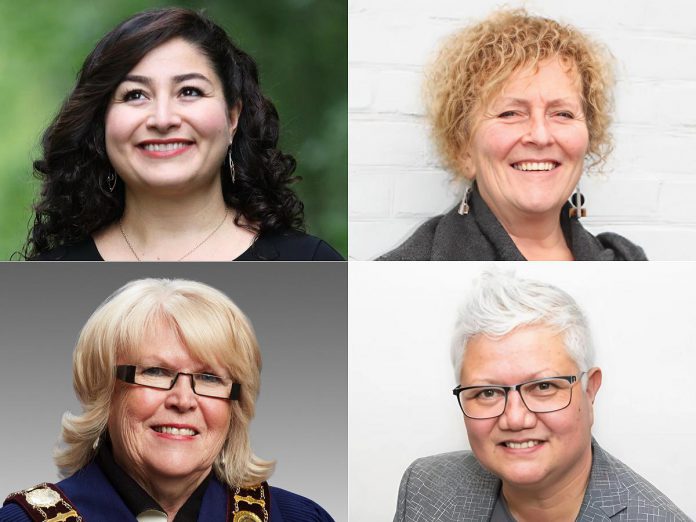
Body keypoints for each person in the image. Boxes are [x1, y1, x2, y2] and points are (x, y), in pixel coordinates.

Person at [0, 278, 335, 521]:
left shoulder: (298, 517)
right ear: (104, 389)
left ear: (235, 404)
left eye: (209, 377)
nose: (183, 399)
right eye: (156, 372)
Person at [25, 7, 342, 261]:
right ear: (103, 122)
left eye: (189, 91)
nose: (162, 119)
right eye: (135, 95)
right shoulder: (48, 278)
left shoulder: (310, 264)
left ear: (233, 117)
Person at [394, 271, 689, 521]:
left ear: (590, 391)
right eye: (487, 392)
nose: (515, 419)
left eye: (544, 387)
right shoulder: (424, 488)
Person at [379, 9, 646, 261]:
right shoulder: (400, 273)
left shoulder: (627, 264)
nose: (540, 136)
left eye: (562, 114)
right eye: (510, 114)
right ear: (464, 149)